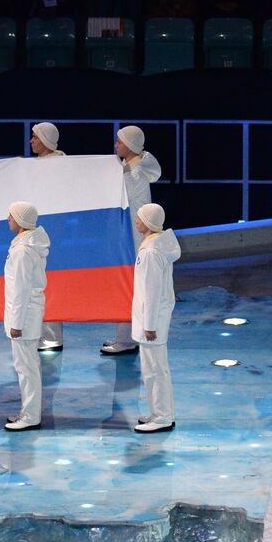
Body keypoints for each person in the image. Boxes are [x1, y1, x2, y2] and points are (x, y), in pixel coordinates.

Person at [100, 125, 161, 357]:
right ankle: (127, 336)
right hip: (129, 236)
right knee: (129, 286)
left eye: (119, 142)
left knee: (128, 286)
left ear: (131, 145)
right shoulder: (130, 168)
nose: (116, 146)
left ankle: (126, 339)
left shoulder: (134, 173)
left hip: (132, 239)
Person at [131, 203, 179, 433]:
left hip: (152, 320)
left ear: (148, 221)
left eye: (140, 218)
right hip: (154, 316)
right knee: (156, 369)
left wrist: (149, 325)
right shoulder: (155, 246)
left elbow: (151, 290)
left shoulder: (151, 252)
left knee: (154, 370)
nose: (136, 221)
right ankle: (161, 413)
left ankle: (161, 417)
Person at [3, 201, 50, 432]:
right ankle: (28, 411)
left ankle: (31, 416)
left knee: (26, 368)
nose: (8, 219)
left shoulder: (23, 250)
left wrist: (16, 323)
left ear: (20, 219)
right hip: (27, 313)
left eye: (11, 215)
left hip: (24, 316)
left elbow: (20, 288)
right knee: (27, 367)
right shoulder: (25, 245)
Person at [30, 121, 67, 353]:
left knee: (49, 283)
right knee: (38, 282)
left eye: (34, 137)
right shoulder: (39, 164)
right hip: (39, 231)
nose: (31, 141)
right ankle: (44, 333)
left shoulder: (58, 166)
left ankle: (53, 336)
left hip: (52, 232)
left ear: (45, 139)